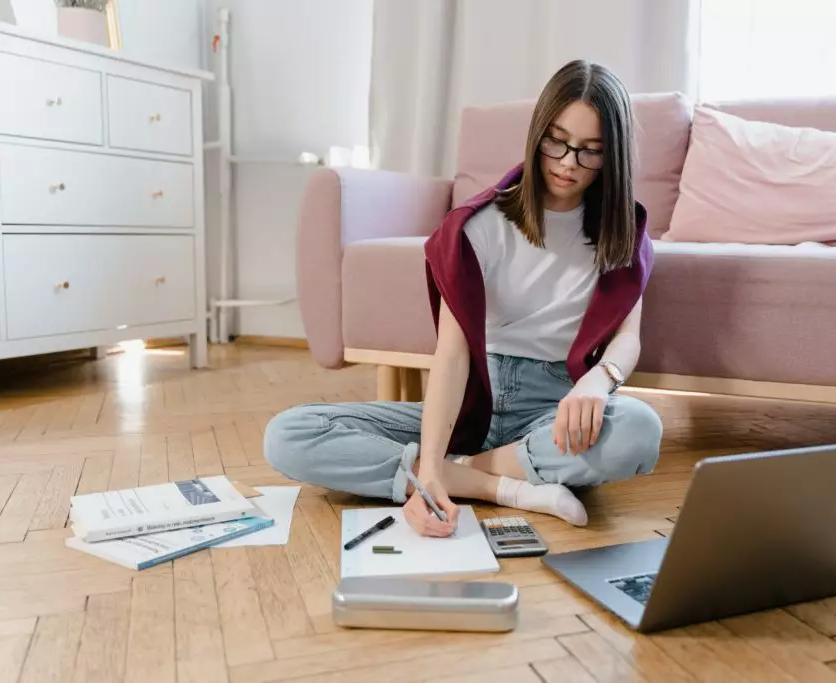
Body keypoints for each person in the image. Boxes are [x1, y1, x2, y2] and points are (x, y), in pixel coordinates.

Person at [264, 59, 663, 537]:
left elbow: (627, 338)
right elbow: (452, 356)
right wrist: (431, 460)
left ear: (613, 155)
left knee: (639, 429)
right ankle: (504, 486)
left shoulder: (624, 231)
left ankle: (460, 471)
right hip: (471, 401)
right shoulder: (482, 225)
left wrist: (599, 382)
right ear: (537, 132)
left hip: (553, 411)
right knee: (288, 436)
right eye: (556, 141)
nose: (566, 163)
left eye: (590, 152)